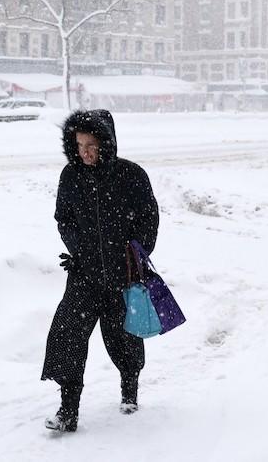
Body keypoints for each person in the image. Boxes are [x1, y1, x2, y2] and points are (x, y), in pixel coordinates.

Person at [41, 109, 159, 432]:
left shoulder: (131, 176)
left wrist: (138, 251)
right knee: (68, 335)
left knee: (123, 337)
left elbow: (149, 217)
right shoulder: (71, 177)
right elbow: (62, 217)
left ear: (106, 143)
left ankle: (129, 388)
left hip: (123, 275)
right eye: (79, 145)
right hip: (85, 274)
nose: (85, 152)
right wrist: (78, 247)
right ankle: (68, 410)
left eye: (92, 145)